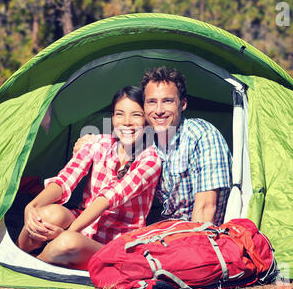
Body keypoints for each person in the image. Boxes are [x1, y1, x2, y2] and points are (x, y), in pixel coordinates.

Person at [16, 86, 162, 270]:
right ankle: (17, 255)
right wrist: (31, 207)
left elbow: (107, 198)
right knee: (44, 215)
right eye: (119, 114)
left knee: (67, 242)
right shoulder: (98, 143)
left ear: (147, 120)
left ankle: (29, 269)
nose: (126, 122)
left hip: (117, 243)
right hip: (85, 224)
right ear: (112, 117)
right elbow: (65, 179)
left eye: (136, 115)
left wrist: (67, 232)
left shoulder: (150, 160)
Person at [75, 67, 232, 225]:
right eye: (152, 102)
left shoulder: (201, 135)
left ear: (183, 104)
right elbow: (115, 147)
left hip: (196, 235)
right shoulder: (148, 142)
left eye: (167, 101)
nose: (158, 111)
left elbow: (205, 210)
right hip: (164, 231)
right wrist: (89, 142)